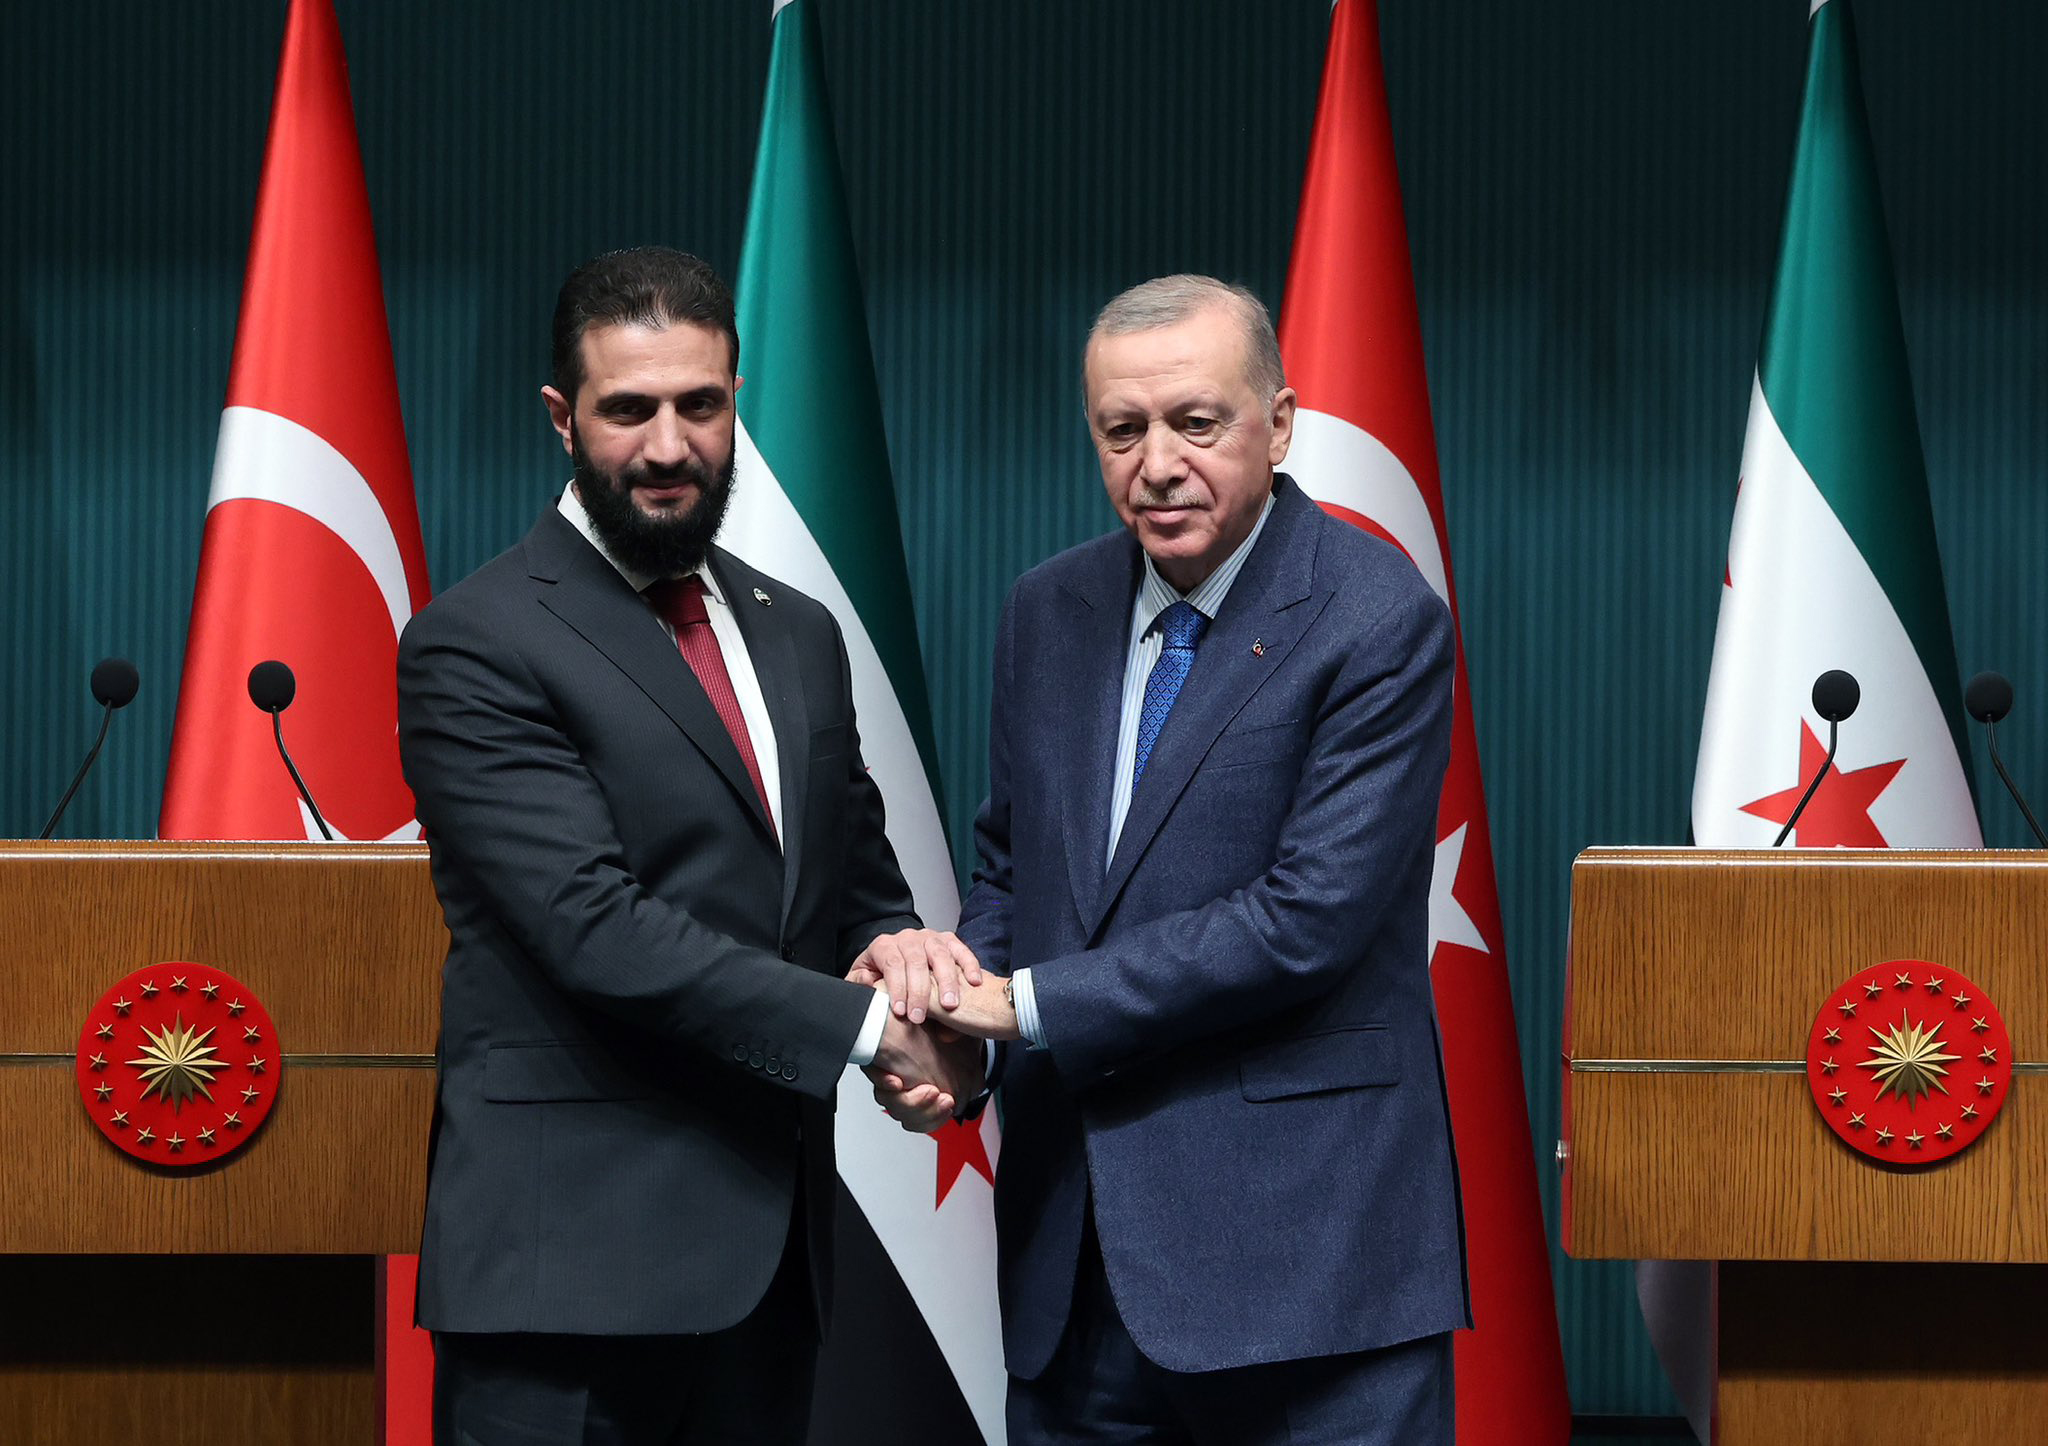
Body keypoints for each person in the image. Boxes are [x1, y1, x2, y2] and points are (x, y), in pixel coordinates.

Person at [868, 274, 1469, 1444]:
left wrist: (1018, 1004)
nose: (1156, 464)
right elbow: (1013, 871)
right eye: (1121, 429)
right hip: (1074, 1269)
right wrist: (951, 1029)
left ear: (1279, 423)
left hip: (1307, 1271)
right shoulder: (1045, 609)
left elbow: (1308, 918)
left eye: (1196, 422)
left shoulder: (1374, 615)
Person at [397, 245, 976, 1446]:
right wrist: (874, 1034)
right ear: (562, 417)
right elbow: (592, 930)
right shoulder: (478, 640)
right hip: (569, 1290)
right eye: (628, 410)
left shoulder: (796, 629)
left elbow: (852, 885)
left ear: (733, 402)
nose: (667, 447)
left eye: (698, 405)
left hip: (769, 1278)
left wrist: (917, 970)